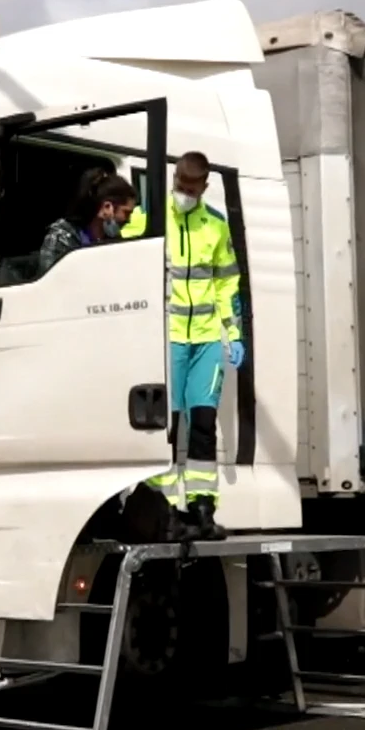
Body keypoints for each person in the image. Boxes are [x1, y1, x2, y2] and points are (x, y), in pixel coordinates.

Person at [124, 151, 242, 540]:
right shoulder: (152, 219)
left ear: (205, 187)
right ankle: (162, 510)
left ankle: (203, 509)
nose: (184, 195)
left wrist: (234, 331)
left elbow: (227, 281)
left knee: (203, 426)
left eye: (192, 190)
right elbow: (116, 254)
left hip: (206, 339)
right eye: (180, 187)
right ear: (173, 179)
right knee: (168, 428)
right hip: (169, 337)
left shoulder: (216, 227)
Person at [37, 168, 138, 277]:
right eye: (126, 213)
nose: (129, 220)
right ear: (107, 207)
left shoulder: (113, 240)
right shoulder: (62, 239)